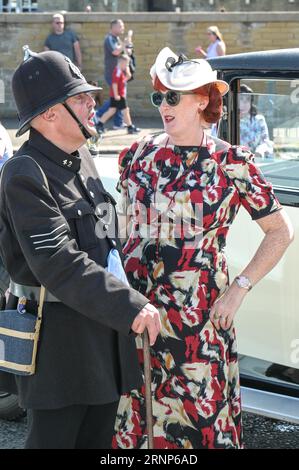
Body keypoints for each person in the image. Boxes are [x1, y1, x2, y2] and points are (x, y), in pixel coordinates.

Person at [112, 47, 294, 449]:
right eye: (159, 96)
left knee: (201, 427)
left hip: (199, 327)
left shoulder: (232, 163)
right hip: (139, 319)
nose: (163, 105)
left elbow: (280, 232)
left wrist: (239, 288)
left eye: (173, 97)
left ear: (202, 101)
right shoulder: (137, 155)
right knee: (137, 425)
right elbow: (125, 232)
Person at [0, 48, 161, 449]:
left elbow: (106, 235)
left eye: (89, 95)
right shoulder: (25, 173)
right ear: (48, 115)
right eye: (79, 97)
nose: (93, 102)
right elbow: (57, 263)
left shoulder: (81, 156)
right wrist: (130, 305)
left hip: (101, 337)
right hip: (59, 353)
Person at [96, 55, 140, 135]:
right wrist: (116, 95)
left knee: (112, 110)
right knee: (125, 111)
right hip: (118, 96)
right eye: (126, 64)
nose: (127, 66)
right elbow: (114, 84)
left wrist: (127, 74)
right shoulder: (118, 72)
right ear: (121, 62)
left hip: (118, 96)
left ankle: (99, 124)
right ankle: (130, 127)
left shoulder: (120, 71)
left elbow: (123, 81)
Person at [96, 19, 127, 130]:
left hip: (120, 75)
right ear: (113, 27)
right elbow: (115, 52)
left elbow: (124, 54)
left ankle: (118, 123)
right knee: (116, 97)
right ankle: (97, 115)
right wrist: (124, 43)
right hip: (112, 74)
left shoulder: (117, 39)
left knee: (119, 97)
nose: (122, 28)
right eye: (120, 26)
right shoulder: (109, 39)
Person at [239, 84, 273, 158]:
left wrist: (260, 151)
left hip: (258, 162)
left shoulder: (259, 120)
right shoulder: (229, 121)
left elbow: (266, 142)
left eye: (247, 100)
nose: (244, 104)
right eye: (241, 99)